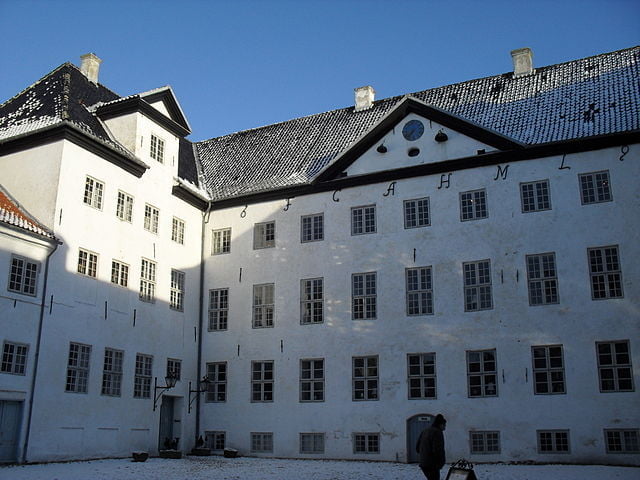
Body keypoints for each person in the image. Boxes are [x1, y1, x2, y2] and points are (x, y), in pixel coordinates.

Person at [416, 414, 446, 480]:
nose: (445, 428)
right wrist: (441, 463)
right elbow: (438, 449)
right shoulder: (437, 432)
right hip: (432, 465)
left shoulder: (425, 430)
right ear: (440, 424)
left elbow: (417, 448)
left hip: (423, 463)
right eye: (444, 425)